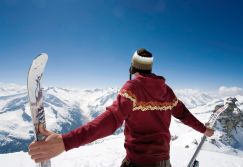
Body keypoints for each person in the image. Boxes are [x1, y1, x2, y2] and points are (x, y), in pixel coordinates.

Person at [28, 48, 214, 167]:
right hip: (164, 162)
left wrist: (66, 141)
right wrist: (204, 129)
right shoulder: (167, 91)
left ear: (133, 68)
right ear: (150, 68)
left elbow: (111, 120)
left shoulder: (132, 88)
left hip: (138, 163)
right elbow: (184, 115)